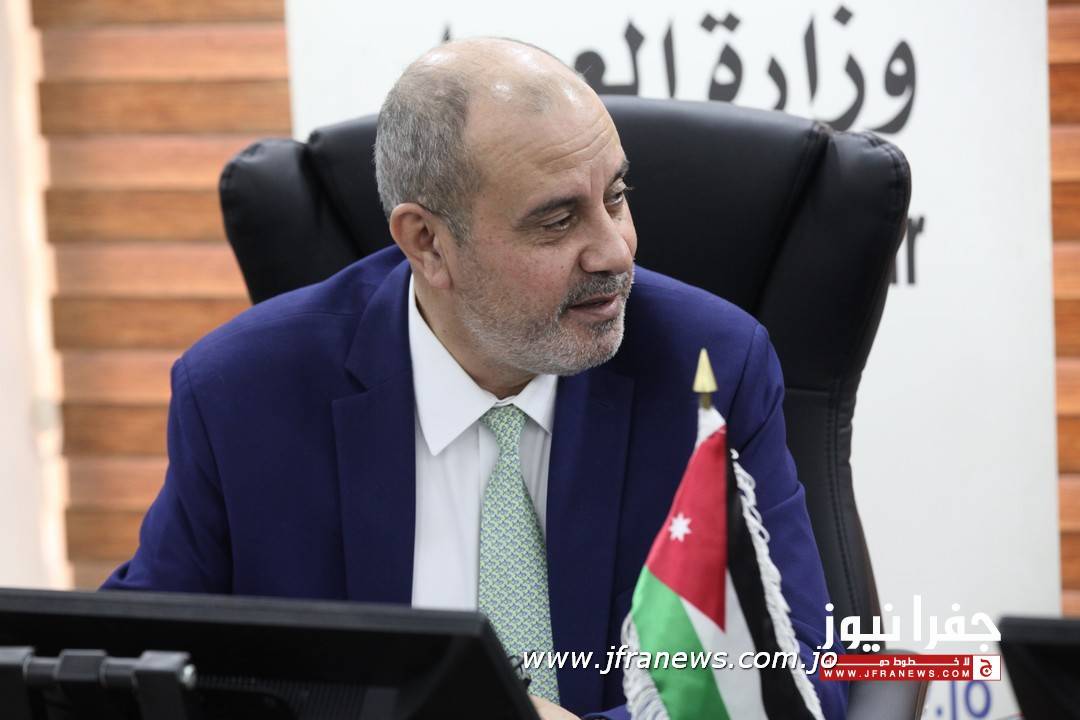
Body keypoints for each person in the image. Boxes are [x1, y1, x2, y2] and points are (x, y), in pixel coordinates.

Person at [103, 38, 846, 720]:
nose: (615, 251)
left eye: (616, 197)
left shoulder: (708, 370)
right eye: (557, 221)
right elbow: (129, 670)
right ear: (427, 242)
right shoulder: (242, 394)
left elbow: (792, 678)